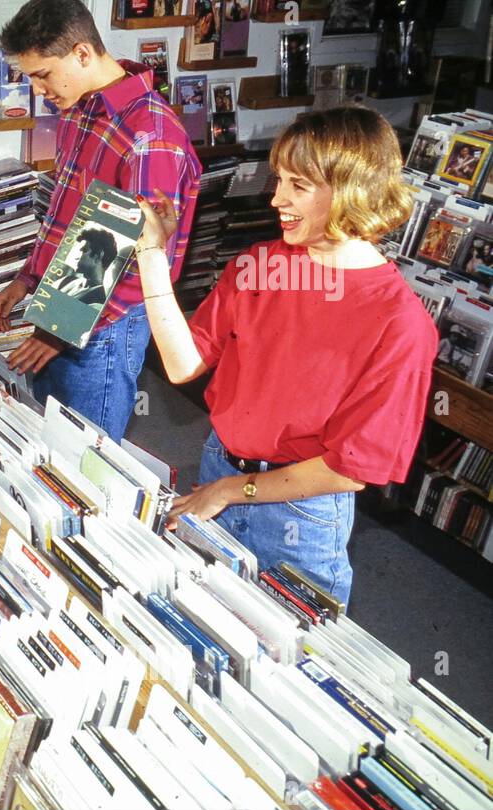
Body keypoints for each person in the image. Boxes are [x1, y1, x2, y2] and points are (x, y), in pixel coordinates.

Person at [133, 106, 438, 605]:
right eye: (280, 181)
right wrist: (151, 253)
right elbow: (182, 364)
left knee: (289, 656)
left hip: (302, 508)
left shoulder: (400, 324)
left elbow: (347, 470)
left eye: (298, 186)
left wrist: (235, 489)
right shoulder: (259, 264)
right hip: (219, 468)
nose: (277, 199)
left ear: (350, 191)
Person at [0, 0, 201, 443]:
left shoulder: (151, 138)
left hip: (103, 327)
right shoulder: (82, 107)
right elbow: (64, 215)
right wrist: (30, 278)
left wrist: (61, 331)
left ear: (83, 54)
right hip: (64, 306)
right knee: (47, 445)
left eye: (43, 75)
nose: (37, 89)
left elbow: (143, 264)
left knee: (87, 460)